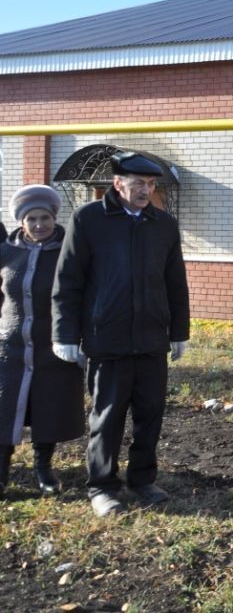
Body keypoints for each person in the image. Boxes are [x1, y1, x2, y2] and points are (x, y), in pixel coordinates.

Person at [52, 151, 190, 518]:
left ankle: (143, 479)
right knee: (107, 416)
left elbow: (175, 282)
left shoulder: (163, 225)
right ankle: (102, 486)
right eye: (139, 184)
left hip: (150, 340)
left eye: (151, 184)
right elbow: (68, 282)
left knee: (150, 413)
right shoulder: (89, 220)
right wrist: (65, 334)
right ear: (118, 183)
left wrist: (179, 331)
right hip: (107, 339)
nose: (146, 190)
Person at [0, 186, 85, 497]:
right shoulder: (6, 252)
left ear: (54, 218)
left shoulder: (69, 251)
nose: (39, 225)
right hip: (10, 347)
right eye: (32, 219)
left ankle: (43, 469)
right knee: (4, 408)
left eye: (45, 217)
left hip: (54, 346)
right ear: (22, 222)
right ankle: (2, 472)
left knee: (48, 408)